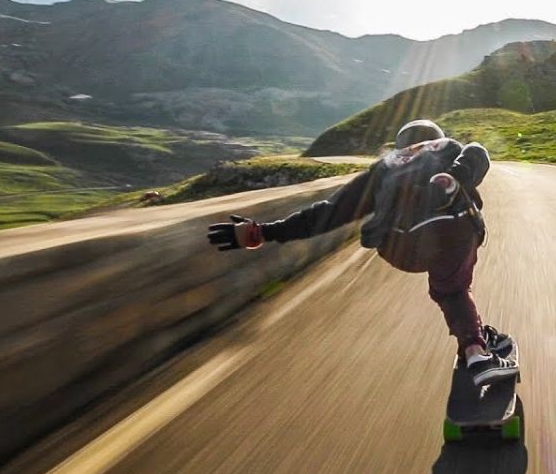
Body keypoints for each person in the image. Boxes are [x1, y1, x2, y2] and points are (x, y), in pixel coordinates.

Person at [206, 120, 517, 387]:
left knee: (448, 290)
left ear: (400, 145)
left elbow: (328, 212)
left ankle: (474, 334)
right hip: (450, 226)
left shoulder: (383, 167)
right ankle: (476, 353)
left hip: (397, 244)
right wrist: (459, 174)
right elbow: (478, 155)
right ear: (435, 136)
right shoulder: (447, 147)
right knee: (453, 289)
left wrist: (262, 231)